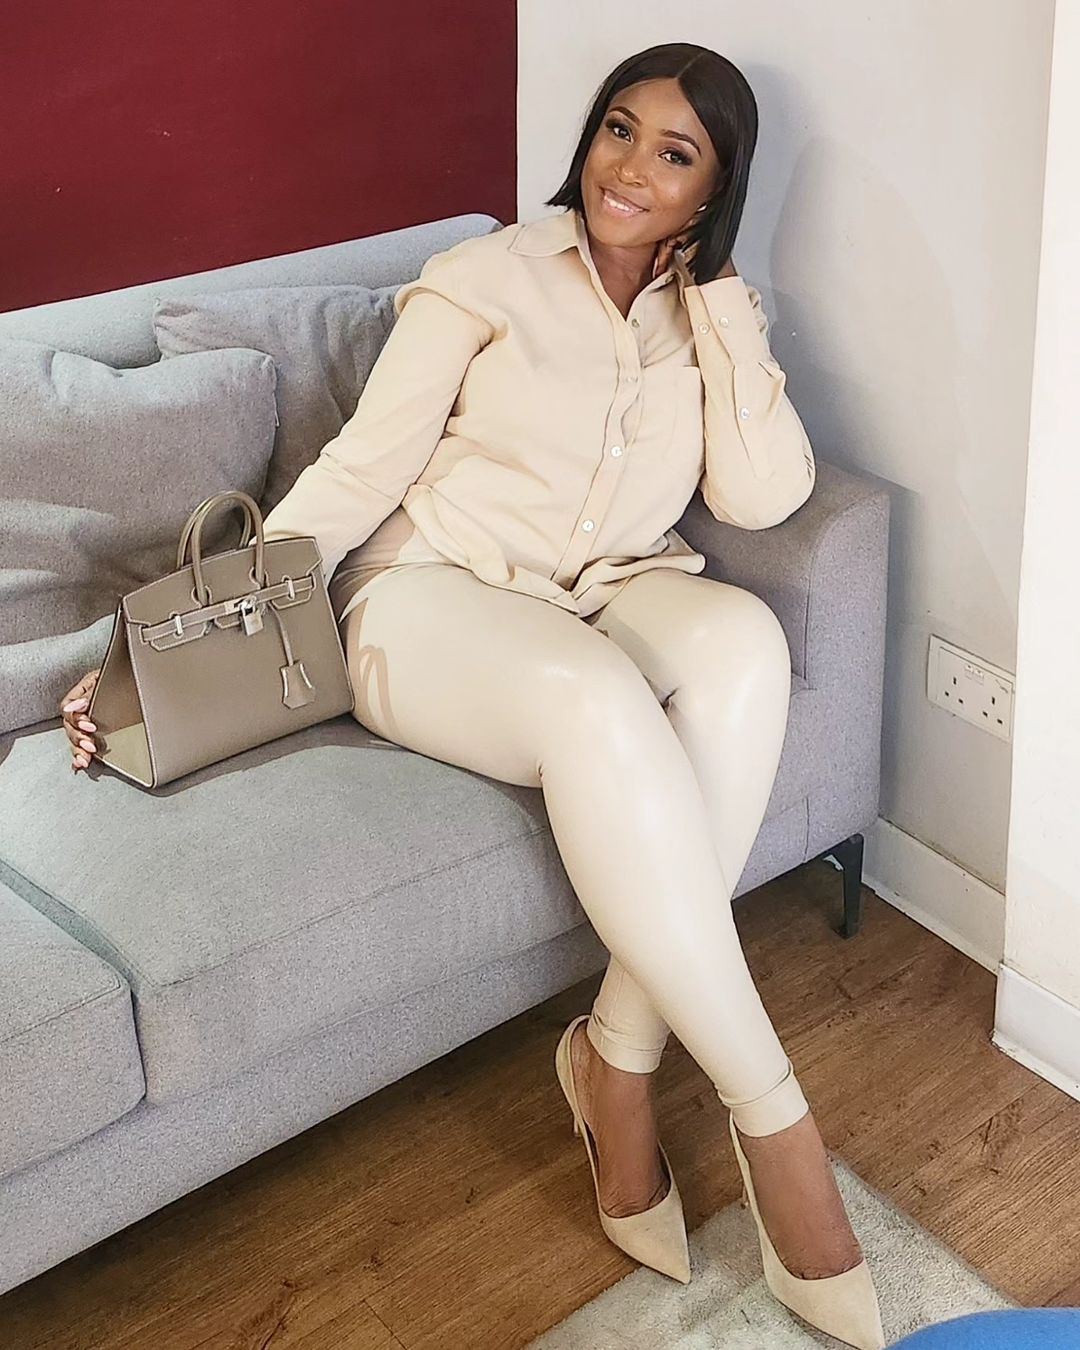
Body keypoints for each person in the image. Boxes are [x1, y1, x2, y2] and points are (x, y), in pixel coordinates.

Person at [60, 41, 884, 1350]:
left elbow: (763, 496)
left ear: (714, 190)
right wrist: (158, 649)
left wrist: (723, 300)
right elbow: (357, 470)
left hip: (602, 588)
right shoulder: (481, 277)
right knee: (598, 699)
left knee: (742, 645)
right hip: (427, 595)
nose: (630, 168)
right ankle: (779, 1122)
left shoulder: (711, 312)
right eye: (618, 129)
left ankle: (615, 1058)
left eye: (676, 154)